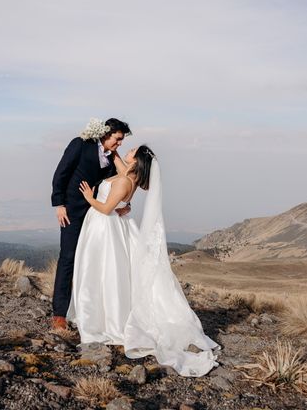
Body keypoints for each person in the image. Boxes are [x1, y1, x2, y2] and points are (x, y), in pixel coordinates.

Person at [67, 145, 220, 377]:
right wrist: (110, 146)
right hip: (110, 227)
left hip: (103, 227)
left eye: (131, 150)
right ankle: (102, 314)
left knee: (99, 272)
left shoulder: (124, 182)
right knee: (108, 273)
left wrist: (89, 197)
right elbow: (120, 171)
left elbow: (107, 208)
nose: (127, 150)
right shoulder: (132, 177)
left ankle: (100, 321)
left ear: (137, 161)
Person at [50, 118, 132, 330]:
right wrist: (59, 203)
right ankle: (59, 313)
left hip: (98, 215)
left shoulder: (112, 157)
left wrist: (126, 204)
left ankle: (89, 310)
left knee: (92, 261)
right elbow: (62, 172)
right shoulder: (80, 144)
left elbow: (122, 183)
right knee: (68, 257)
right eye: (118, 139)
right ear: (107, 134)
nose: (119, 143)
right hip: (72, 212)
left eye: (121, 140)